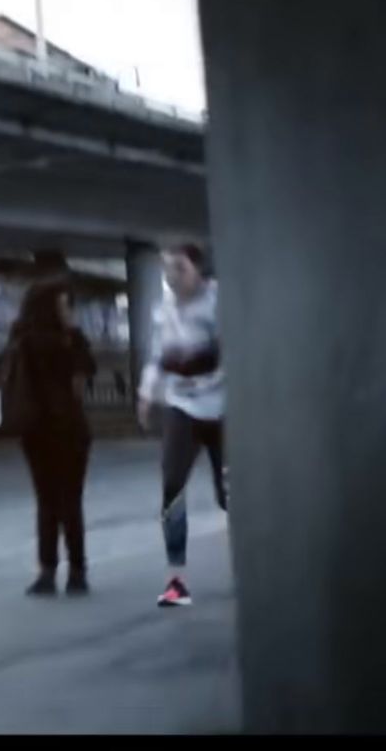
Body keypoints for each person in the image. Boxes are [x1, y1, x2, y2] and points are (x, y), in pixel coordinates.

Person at [137, 242, 226, 608]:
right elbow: (157, 357)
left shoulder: (219, 302)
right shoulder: (164, 311)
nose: (172, 278)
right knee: (171, 486)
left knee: (231, 494)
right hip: (182, 407)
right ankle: (176, 579)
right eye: (167, 270)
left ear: (198, 270)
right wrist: (147, 395)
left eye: (179, 269)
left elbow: (232, 350)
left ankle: (251, 567)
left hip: (223, 405)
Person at [5, 277, 98, 596]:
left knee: (46, 501)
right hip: (68, 428)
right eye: (64, 304)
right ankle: (77, 571)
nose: (68, 309)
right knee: (71, 500)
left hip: (33, 430)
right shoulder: (68, 341)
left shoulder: (21, 337)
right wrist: (72, 332)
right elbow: (84, 378)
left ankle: (46, 571)